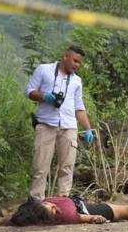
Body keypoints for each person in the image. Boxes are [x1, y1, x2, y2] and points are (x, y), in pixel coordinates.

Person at [25, 45, 95, 200]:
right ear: (65, 56)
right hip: (46, 124)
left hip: (69, 126)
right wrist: (44, 96)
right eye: (75, 61)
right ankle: (36, 200)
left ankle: (64, 201)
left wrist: (88, 129)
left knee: (67, 167)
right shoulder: (44, 70)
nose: (77, 65)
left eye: (79, 62)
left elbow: (79, 107)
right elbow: (29, 91)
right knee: (40, 167)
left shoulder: (76, 80)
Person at [9, 197, 128, 226]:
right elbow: (83, 218)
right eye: (53, 211)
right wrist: (95, 218)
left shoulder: (43, 205)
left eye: (50, 205)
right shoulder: (67, 216)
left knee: (117, 205)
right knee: (126, 211)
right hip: (93, 211)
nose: (55, 207)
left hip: (83, 204)